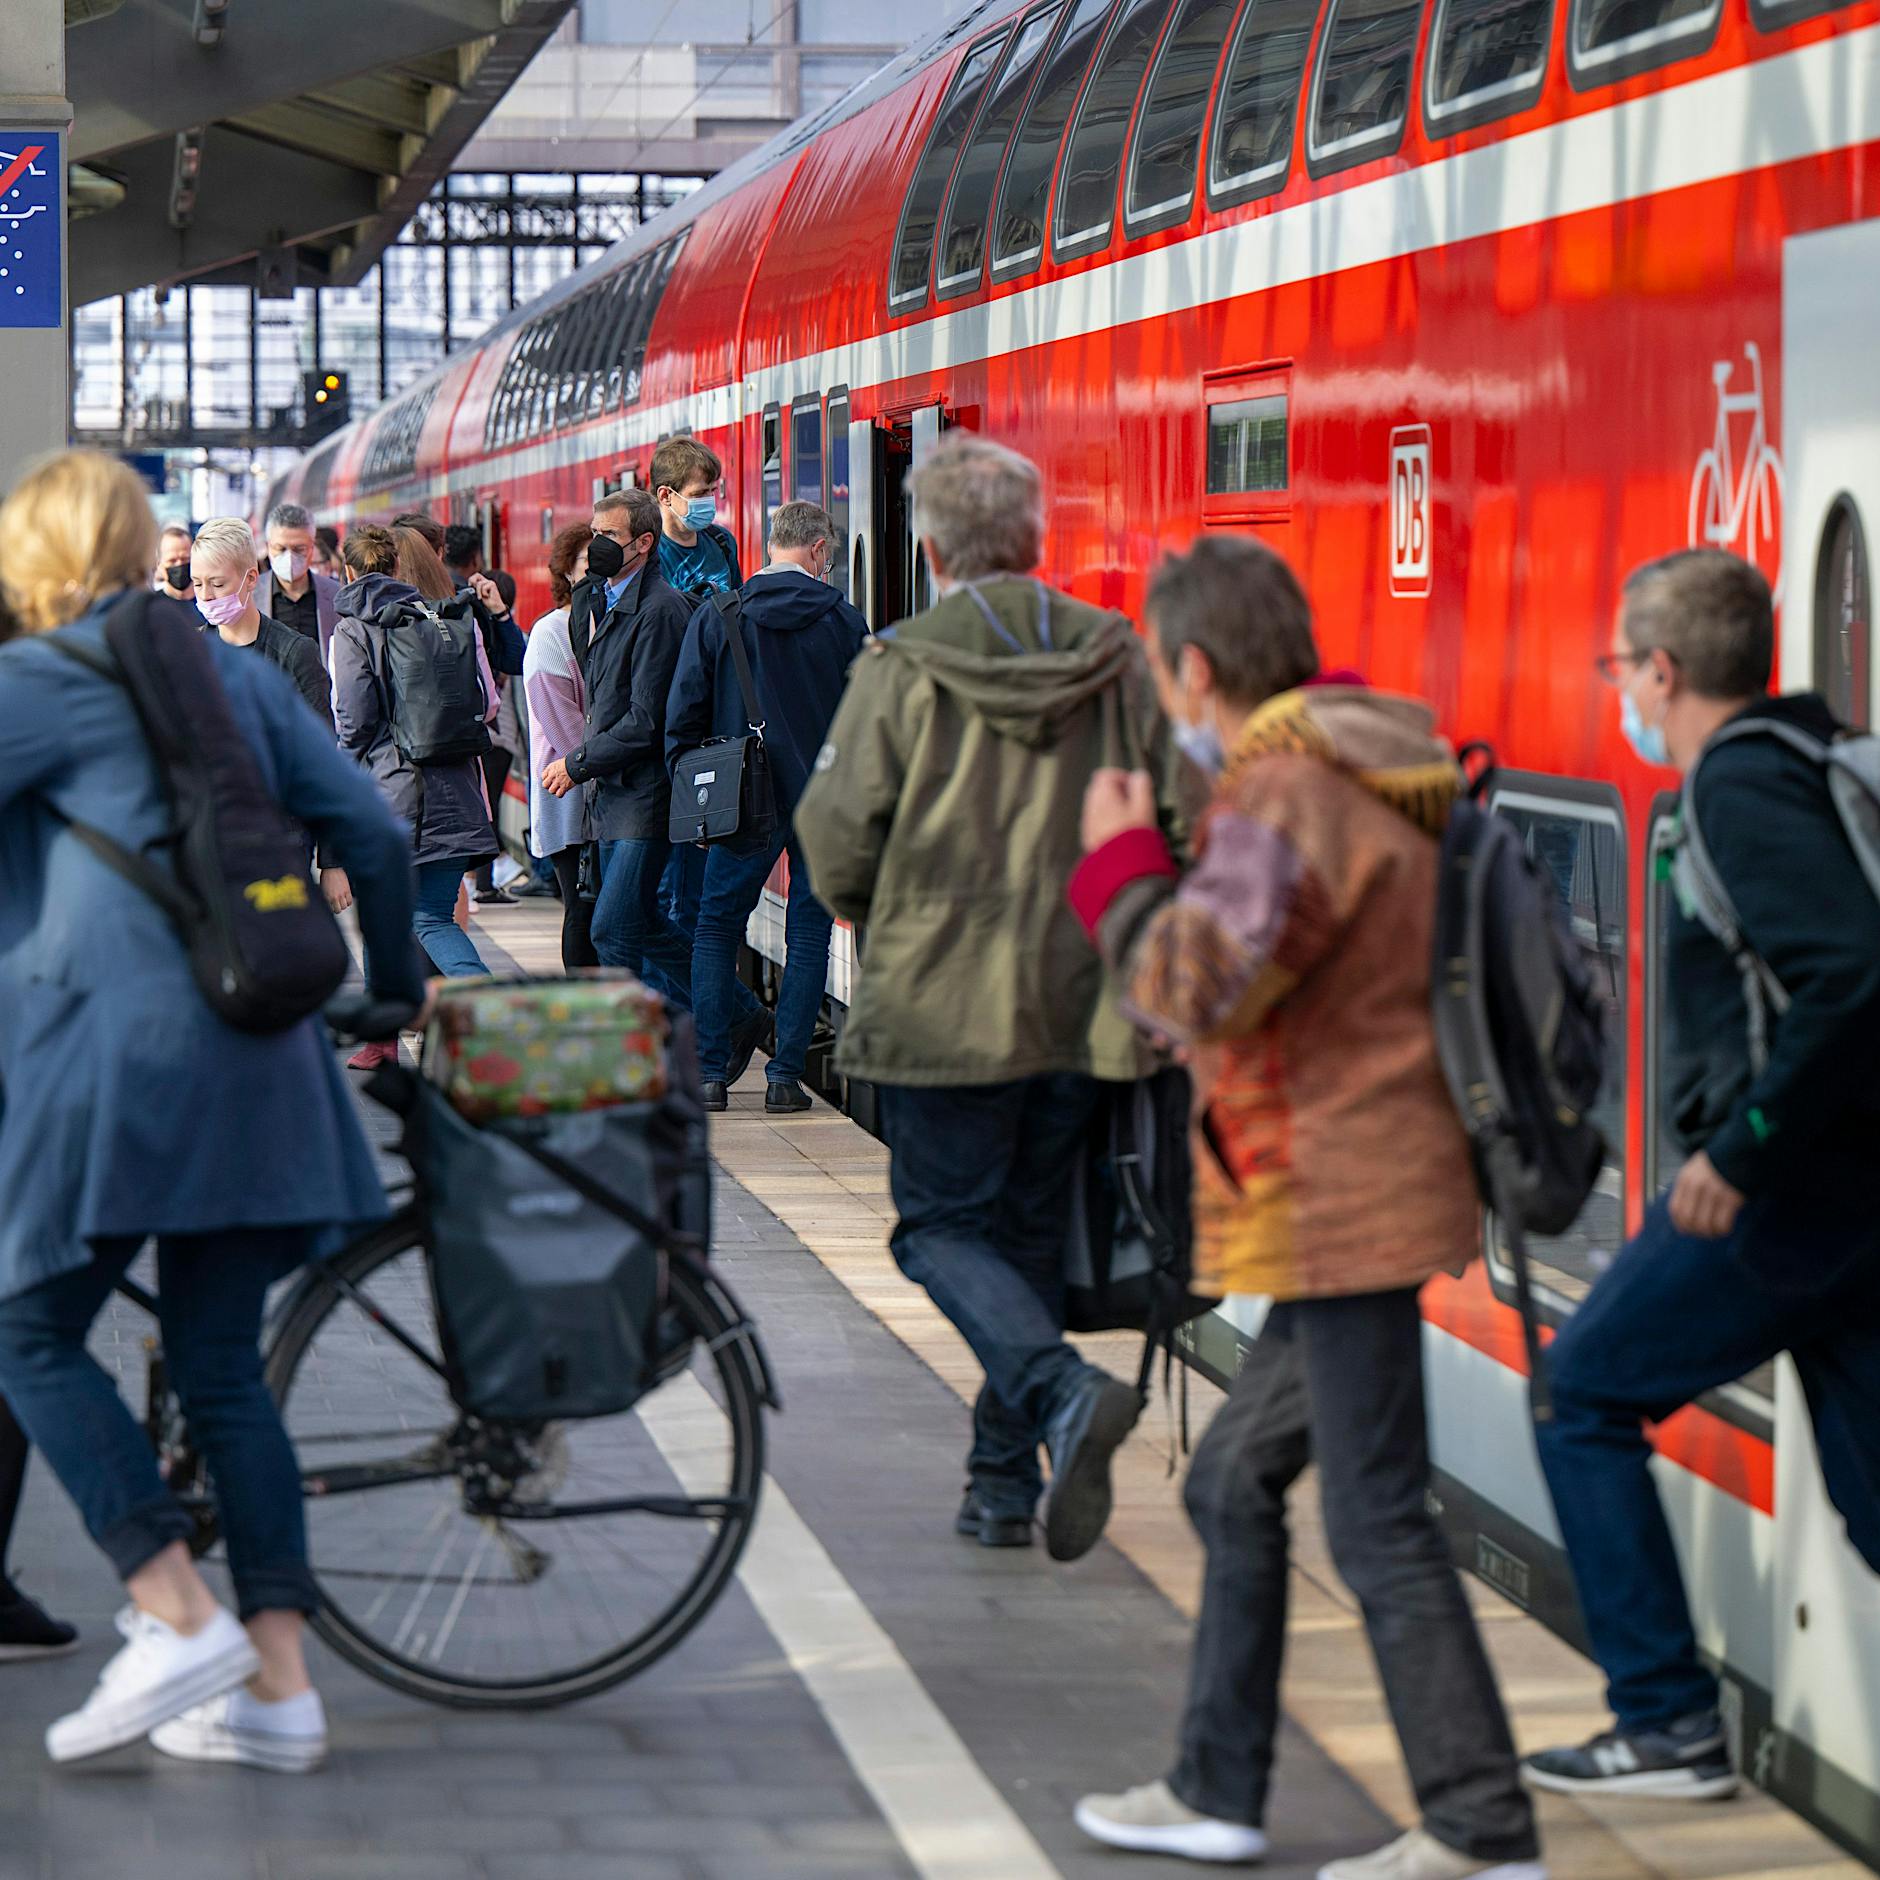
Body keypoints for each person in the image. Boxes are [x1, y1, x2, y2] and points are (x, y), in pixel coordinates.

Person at [1066, 535, 1542, 1880]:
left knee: (1376, 1516)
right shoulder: (1365, 754)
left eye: (1166, 675)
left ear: (1196, 667)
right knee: (1233, 1477)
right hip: (1357, 1180)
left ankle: (1480, 1829)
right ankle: (1216, 1785)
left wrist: (1113, 867)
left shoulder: (1285, 793)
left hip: (1341, 1191)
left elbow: (1189, 986)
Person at [0, 448, 421, 1772]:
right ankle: (279, 1696)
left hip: (117, 1073)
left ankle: (172, 1609)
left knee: (24, 1328)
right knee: (225, 1368)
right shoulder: (232, 671)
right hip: (267, 1060)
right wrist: (391, 991)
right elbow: (378, 834)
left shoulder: (41, 682)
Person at [1519, 549, 1880, 1801]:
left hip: (1784, 1200)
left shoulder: (1735, 785)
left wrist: (1737, 1150)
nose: (1615, 685)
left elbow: (1851, 974)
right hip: (1848, 1200)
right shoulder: (1806, 751)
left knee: (1578, 1393)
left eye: (1618, 665)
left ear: (1660, 669)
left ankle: (1664, 1719)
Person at [793, 436, 1187, 1561]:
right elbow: (1181, 813)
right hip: (1085, 1001)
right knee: (1018, 1244)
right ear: (1034, 540)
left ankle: (1059, 1395)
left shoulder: (901, 663)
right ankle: (999, 1484)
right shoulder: (1114, 655)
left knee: (935, 1232)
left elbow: (833, 836)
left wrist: (882, 916)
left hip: (940, 1003)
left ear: (926, 547)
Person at [665, 500, 866, 1114]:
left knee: (716, 926)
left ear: (773, 545)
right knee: (808, 935)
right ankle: (783, 1079)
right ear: (817, 551)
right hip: (822, 804)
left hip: (740, 803)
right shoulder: (844, 621)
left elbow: (684, 713)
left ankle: (709, 1076)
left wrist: (692, 796)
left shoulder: (721, 614)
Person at [331, 523, 495, 1072]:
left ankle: (481, 1013)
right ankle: (395, 1037)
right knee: (428, 914)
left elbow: (354, 722)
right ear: (397, 568)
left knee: (411, 918)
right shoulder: (442, 618)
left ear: (349, 571)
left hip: (394, 799)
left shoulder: (352, 630)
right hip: (457, 792)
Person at [546, 488, 695, 1005]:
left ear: (644, 543)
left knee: (610, 929)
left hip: (644, 794)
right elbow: (597, 692)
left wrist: (577, 763)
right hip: (611, 795)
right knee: (642, 921)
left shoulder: (662, 611)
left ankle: (630, 1053)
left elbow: (645, 720)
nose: (596, 546)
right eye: (594, 533)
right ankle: (737, 1014)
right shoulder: (594, 597)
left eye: (609, 535)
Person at [650, 438, 741, 936]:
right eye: (702, 491)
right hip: (672, 717)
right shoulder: (650, 555)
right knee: (674, 884)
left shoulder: (721, 545)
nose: (711, 501)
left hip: (720, 715)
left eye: (714, 490)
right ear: (667, 496)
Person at [524, 525, 600, 968]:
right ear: (567, 573)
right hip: (569, 794)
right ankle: (582, 1001)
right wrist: (611, 758)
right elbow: (563, 727)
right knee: (581, 907)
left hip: (608, 788)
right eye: (587, 566)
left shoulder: (619, 623)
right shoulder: (550, 632)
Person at [189, 519, 331, 727]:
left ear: (251, 578)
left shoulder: (294, 653)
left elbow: (320, 742)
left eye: (217, 584)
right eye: (197, 583)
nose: (205, 595)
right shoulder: (189, 649)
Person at [254, 502, 341, 665]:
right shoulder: (249, 596)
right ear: (268, 546)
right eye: (280, 549)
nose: (289, 557)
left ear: (312, 547)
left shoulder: (336, 595)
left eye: (299, 549)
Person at [152, 522, 194, 596]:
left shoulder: (207, 602)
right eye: (172, 560)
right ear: (159, 564)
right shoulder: (152, 605)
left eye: (185, 558)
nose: (179, 564)